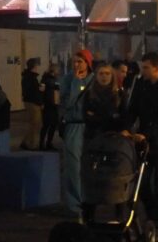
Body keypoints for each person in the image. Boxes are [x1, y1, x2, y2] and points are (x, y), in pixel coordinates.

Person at [125, 52, 158, 233]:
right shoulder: (141, 85)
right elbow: (133, 109)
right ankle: (153, 215)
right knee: (143, 183)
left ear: (156, 68)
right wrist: (126, 127)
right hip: (144, 141)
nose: (143, 71)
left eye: (146, 67)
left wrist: (147, 133)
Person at [59, 48, 95, 218]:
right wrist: (75, 82)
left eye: (80, 61)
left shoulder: (94, 80)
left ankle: (89, 201)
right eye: (74, 61)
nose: (76, 64)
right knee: (73, 167)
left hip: (91, 127)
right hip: (74, 126)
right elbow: (67, 103)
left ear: (87, 63)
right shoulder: (68, 79)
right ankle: (76, 205)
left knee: (89, 166)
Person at [83, 62, 124, 143]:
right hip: (93, 137)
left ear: (112, 76)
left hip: (114, 138)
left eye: (107, 73)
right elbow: (86, 116)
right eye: (101, 73)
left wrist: (97, 115)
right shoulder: (89, 95)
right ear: (96, 76)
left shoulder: (120, 94)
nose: (104, 76)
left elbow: (123, 116)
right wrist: (111, 116)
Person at [20, 58, 43, 150]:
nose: (37, 67)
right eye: (36, 65)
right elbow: (34, 92)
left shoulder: (26, 76)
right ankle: (32, 144)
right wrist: (40, 101)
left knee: (32, 123)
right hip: (33, 103)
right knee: (36, 124)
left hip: (28, 101)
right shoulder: (32, 78)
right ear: (34, 66)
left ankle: (26, 142)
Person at [40, 63, 60, 151]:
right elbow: (41, 92)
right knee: (47, 125)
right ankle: (43, 144)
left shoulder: (54, 79)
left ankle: (48, 143)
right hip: (49, 104)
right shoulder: (46, 79)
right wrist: (42, 102)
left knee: (52, 125)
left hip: (53, 104)